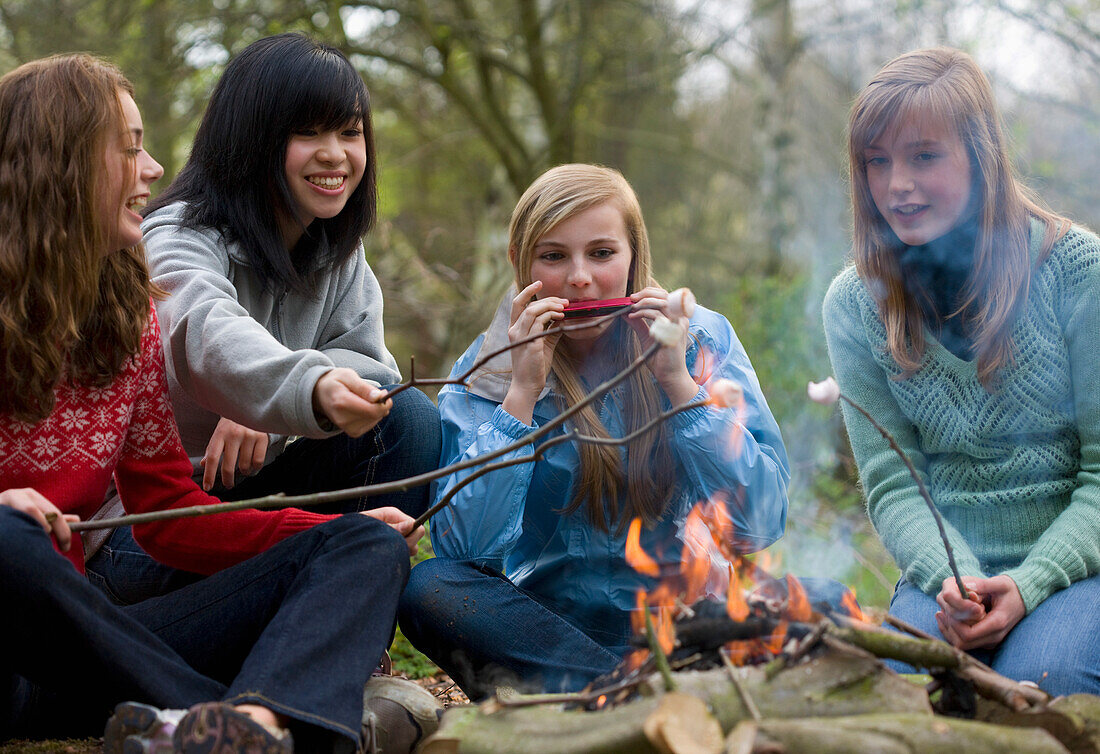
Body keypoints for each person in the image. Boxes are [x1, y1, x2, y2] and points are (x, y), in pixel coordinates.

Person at [0, 54, 430, 753]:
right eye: (130, 146)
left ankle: (249, 729)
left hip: (79, 660)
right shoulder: (180, 245)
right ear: (60, 160)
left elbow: (169, 516)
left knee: (364, 542)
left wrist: (310, 533)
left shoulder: (124, 316)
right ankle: (216, 712)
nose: (152, 168)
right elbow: (209, 330)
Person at [398, 163, 790, 698]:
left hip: (684, 621)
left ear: (634, 258)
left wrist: (679, 386)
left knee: (814, 601)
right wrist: (521, 394)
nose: (580, 278)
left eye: (602, 253)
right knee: (430, 590)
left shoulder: (698, 341)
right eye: (554, 256)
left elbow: (761, 523)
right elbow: (466, 554)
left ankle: (600, 698)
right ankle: (632, 694)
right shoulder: (487, 371)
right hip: (545, 634)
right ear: (520, 263)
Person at [83, 32, 441, 607]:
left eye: (350, 132)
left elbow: (371, 366)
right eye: (308, 132)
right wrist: (271, 387)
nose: (335, 154)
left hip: (258, 502)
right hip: (153, 527)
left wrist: (276, 414)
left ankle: (334, 629)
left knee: (407, 420)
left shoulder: (337, 252)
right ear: (253, 140)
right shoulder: (175, 236)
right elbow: (200, 326)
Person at [824, 47, 1100, 695]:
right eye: (877, 162)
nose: (897, 185)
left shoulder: (1077, 271)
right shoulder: (854, 304)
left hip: (1077, 566)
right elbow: (896, 484)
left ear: (980, 157)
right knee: (904, 690)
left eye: (924, 156)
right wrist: (956, 582)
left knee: (1047, 679)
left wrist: (1028, 586)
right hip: (945, 575)